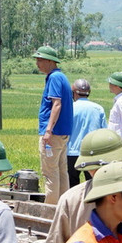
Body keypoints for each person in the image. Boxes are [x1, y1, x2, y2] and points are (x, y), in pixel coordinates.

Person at [32, 46, 74, 204]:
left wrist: (48, 130)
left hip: (53, 134)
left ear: (50, 61)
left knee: (50, 174)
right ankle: (64, 207)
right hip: (62, 133)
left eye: (40, 60)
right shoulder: (61, 76)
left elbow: (57, 104)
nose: (37, 63)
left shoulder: (54, 78)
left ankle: (49, 212)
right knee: (62, 172)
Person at [66, 79, 106, 188]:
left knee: (72, 185)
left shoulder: (70, 108)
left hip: (71, 152)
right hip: (92, 153)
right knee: (93, 184)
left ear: (73, 92)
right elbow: (104, 132)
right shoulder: (98, 109)